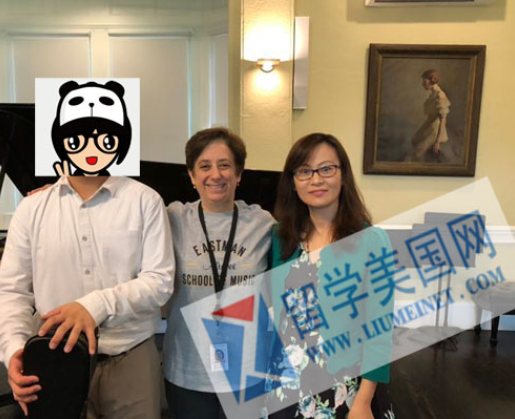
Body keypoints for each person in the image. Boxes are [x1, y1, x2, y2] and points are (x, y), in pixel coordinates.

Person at [0, 173, 175, 418]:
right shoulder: (32, 208)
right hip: (56, 358)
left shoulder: (145, 200)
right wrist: (14, 348)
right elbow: (11, 292)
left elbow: (160, 281)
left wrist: (96, 306)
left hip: (130, 354)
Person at [268, 133, 394, 419]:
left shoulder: (371, 240)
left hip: (348, 388)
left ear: (343, 175)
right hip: (287, 387)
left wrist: (363, 401)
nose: (316, 179)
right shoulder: (280, 238)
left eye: (326, 169)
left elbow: (379, 328)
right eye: (304, 171)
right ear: (293, 182)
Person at [163, 127, 275, 418]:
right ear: (192, 175)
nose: (215, 175)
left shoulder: (262, 223)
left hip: (247, 375)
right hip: (187, 372)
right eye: (204, 166)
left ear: (238, 174)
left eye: (225, 165)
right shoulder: (173, 219)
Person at [407, 69, 451, 162]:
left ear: (431, 81)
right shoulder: (433, 94)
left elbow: (443, 120)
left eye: (424, 81)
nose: (422, 84)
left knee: (418, 151)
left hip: (435, 129)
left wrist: (437, 142)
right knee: (415, 141)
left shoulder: (440, 95)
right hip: (429, 125)